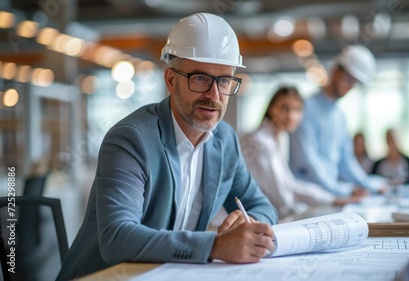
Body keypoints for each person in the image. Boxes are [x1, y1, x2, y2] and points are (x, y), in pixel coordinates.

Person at [56, 13, 277, 280]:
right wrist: (216, 246)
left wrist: (247, 223)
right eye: (199, 78)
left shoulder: (225, 140)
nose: (214, 95)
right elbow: (117, 237)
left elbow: (263, 206)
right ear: (171, 80)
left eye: (224, 80)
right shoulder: (130, 139)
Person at [241, 87, 365, 220]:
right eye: (284, 108)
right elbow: (282, 197)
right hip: (247, 218)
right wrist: (308, 211)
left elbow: (290, 184)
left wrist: (333, 199)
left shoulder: (279, 139)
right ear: (271, 109)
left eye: (297, 110)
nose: (290, 115)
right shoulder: (261, 142)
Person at [289, 45, 385, 197]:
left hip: (330, 195)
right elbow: (309, 163)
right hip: (306, 198)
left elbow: (346, 162)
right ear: (335, 70)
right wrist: (343, 190)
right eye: (348, 79)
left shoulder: (340, 117)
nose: (349, 86)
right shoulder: (305, 108)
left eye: (354, 83)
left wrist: (369, 185)